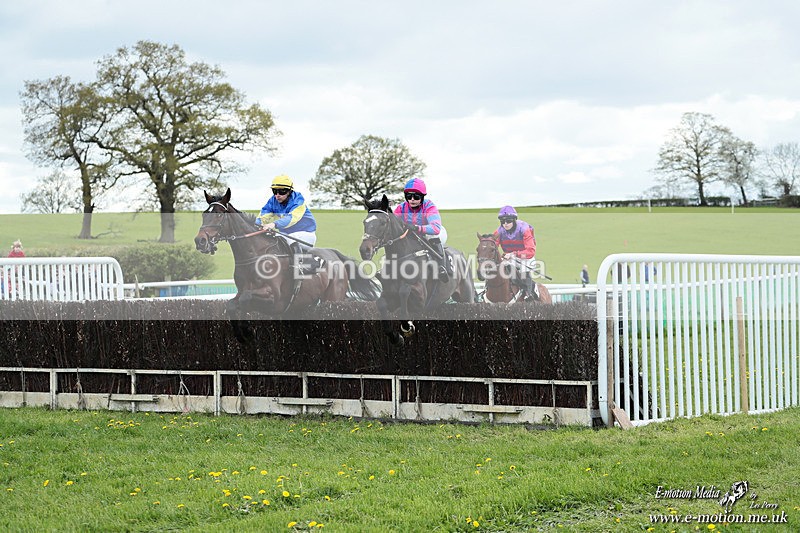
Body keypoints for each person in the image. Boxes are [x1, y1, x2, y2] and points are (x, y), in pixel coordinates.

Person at [255, 175, 318, 275]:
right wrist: (256, 225)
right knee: (270, 240)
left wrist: (274, 224)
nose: (277, 195)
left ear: (289, 191)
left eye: (281, 191)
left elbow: (291, 219)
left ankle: (302, 267)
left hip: (306, 234)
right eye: (275, 191)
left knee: (288, 239)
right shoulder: (273, 201)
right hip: (286, 235)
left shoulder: (298, 200)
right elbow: (264, 215)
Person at [393, 178, 451, 281]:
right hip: (411, 234)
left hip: (432, 233)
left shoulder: (429, 206)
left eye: (416, 196)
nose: (412, 199)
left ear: (423, 197)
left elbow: (435, 228)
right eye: (409, 196)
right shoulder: (401, 208)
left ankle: (442, 267)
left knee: (433, 237)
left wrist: (416, 228)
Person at [492, 206, 537, 299]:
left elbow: (531, 251)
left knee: (524, 269)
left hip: (526, 256)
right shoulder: (498, 231)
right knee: (499, 269)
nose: (505, 224)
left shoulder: (524, 229)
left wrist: (514, 254)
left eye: (508, 221)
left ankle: (529, 294)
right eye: (502, 221)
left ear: (514, 220)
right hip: (509, 257)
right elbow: (493, 247)